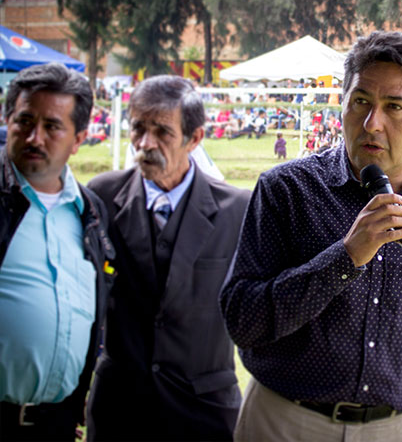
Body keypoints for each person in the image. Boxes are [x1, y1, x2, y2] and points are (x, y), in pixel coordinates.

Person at [220, 31, 402, 442]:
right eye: (361, 101)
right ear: (342, 103)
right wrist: (345, 258)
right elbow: (242, 321)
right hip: (284, 422)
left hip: (398, 430)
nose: (372, 123)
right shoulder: (286, 191)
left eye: (394, 107)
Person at [86, 75, 252, 441]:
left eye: (162, 132)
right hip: (118, 410)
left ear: (195, 138)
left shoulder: (237, 210)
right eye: (138, 128)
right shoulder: (101, 196)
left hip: (204, 413)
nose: (146, 143)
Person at [0, 62, 114, 440]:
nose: (35, 137)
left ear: (78, 139)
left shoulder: (90, 212)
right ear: (7, 120)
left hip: (57, 424)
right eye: (24, 121)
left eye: (52, 126)